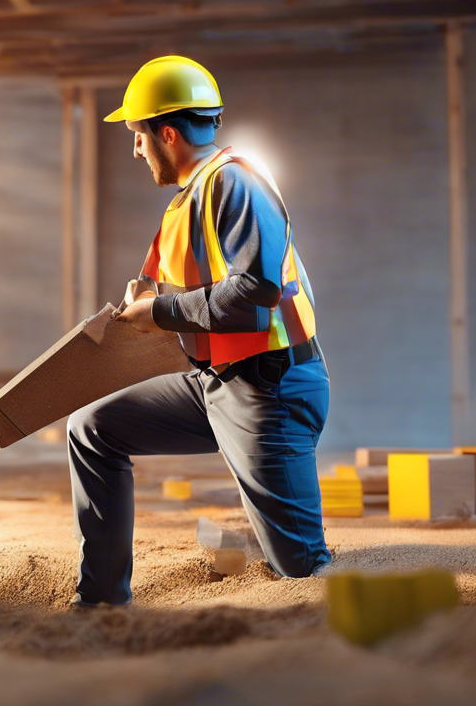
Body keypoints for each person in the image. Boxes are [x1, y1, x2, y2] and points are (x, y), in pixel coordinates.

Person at [66, 55, 331, 608]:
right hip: (214, 384)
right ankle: (101, 603)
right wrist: (146, 299)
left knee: (303, 574)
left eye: (138, 135)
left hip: (269, 391)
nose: (135, 149)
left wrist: (160, 313)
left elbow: (254, 293)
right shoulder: (186, 202)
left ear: (167, 134)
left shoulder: (236, 183)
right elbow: (174, 289)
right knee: (92, 428)